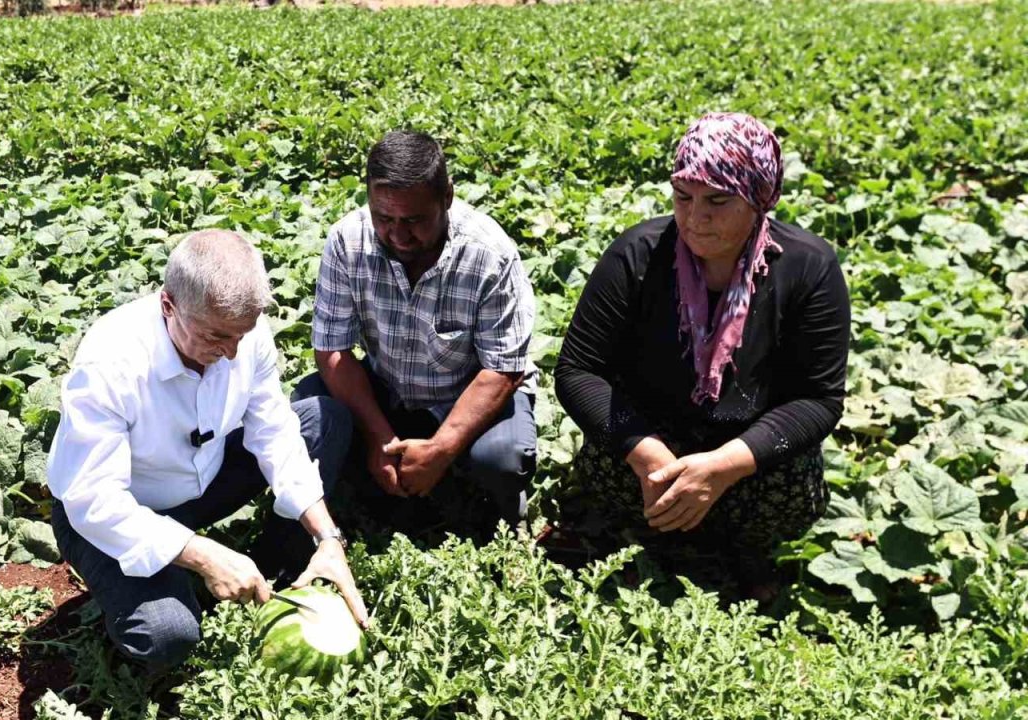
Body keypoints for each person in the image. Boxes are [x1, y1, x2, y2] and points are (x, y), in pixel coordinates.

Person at [552, 112, 850, 599]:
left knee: (791, 490)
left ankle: (741, 551)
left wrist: (722, 468)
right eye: (683, 197)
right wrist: (647, 455)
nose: (695, 218)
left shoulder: (809, 269)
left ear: (758, 198)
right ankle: (645, 537)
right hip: (648, 439)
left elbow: (819, 398)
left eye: (717, 200)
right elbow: (578, 370)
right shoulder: (636, 255)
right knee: (610, 473)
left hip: (747, 449)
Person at [46, 230, 369, 673]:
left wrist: (327, 537)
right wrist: (203, 555)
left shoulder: (240, 333)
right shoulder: (110, 364)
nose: (232, 352)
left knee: (320, 420)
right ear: (168, 305)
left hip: (201, 479)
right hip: (111, 513)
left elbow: (275, 432)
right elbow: (93, 501)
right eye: (216, 336)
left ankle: (276, 573)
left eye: (241, 335)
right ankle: (158, 584)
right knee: (168, 636)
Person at [293, 130, 538, 536]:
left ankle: (495, 516)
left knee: (501, 457)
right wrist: (378, 437)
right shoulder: (347, 242)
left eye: (414, 220)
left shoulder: (489, 254)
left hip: (466, 394)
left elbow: (503, 368)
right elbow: (332, 350)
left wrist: (441, 450)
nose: (399, 235)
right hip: (387, 387)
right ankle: (362, 498)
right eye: (384, 218)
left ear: (447, 198)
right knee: (310, 413)